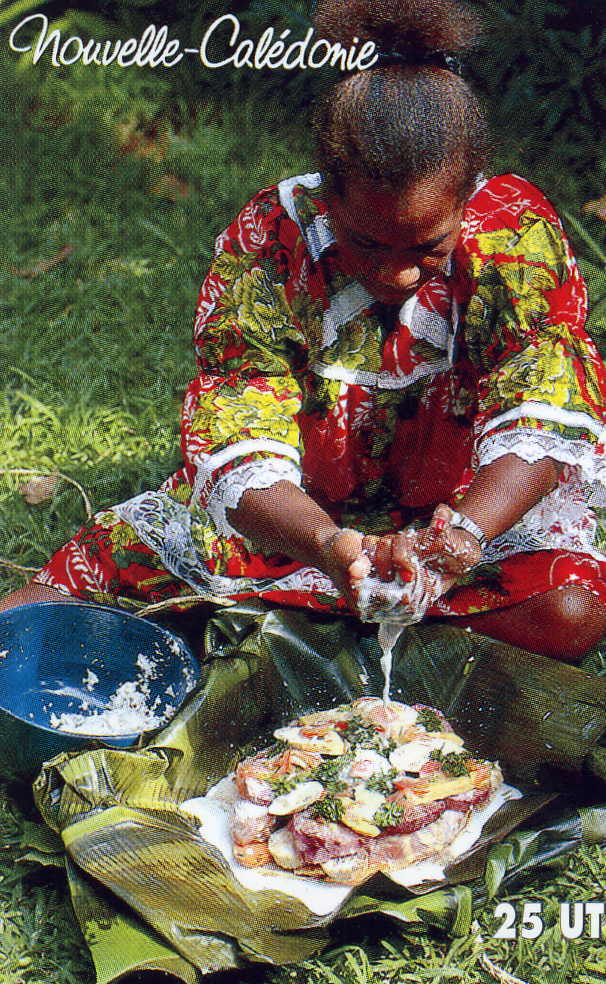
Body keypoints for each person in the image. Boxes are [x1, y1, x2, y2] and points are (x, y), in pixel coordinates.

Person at [4, 0, 606, 663]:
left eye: (427, 247)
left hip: (462, 519)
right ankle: (329, 635)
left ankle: (285, 640)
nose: (399, 275)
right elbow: (240, 422)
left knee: (569, 611)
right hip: (296, 515)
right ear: (328, 195)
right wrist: (328, 546)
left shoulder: (513, 235)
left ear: (468, 199)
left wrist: (465, 532)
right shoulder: (275, 241)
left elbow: (545, 405)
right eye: (367, 244)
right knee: (94, 582)